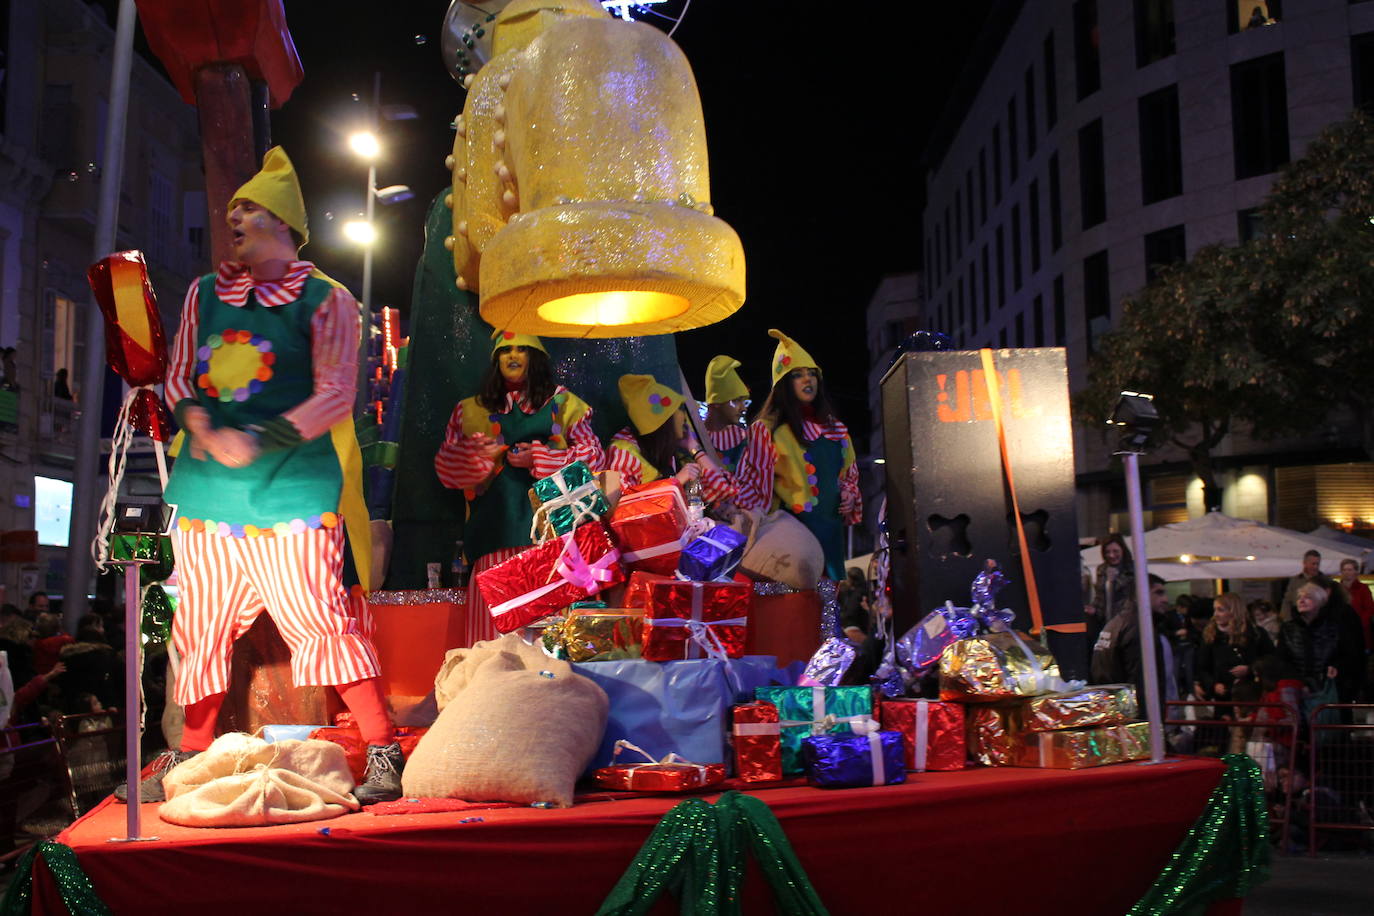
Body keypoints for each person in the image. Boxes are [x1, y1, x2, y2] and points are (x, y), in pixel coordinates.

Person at [147, 147, 401, 805]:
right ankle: (186, 758)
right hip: (207, 495)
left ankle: (382, 751)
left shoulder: (327, 300)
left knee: (318, 619)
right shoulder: (205, 294)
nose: (234, 215)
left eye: (249, 206)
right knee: (199, 627)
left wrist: (258, 438)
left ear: (283, 220)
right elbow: (177, 376)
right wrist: (205, 429)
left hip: (291, 492)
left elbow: (336, 392)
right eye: (233, 206)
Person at [435, 329, 603, 644]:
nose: (512, 356)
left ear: (534, 357)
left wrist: (540, 458)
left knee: (543, 635)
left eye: (521, 349)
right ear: (495, 359)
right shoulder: (470, 410)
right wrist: (476, 457)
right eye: (505, 350)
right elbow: (445, 469)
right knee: (491, 638)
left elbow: (593, 458)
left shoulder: (564, 403)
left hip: (549, 541)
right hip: (491, 537)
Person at [737, 329, 861, 580]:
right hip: (788, 542)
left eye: (812, 374)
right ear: (784, 383)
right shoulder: (767, 431)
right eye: (798, 375)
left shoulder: (836, 430)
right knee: (793, 610)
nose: (808, 380)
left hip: (830, 538)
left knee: (827, 612)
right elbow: (752, 489)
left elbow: (849, 476)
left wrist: (849, 493)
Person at [606, 374, 736, 508]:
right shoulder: (623, 452)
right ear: (663, 421)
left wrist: (694, 448)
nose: (683, 415)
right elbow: (623, 511)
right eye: (678, 409)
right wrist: (675, 482)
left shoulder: (669, 454)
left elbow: (723, 488)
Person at [1092, 574, 1178, 709]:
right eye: (1158, 593)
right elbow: (1142, 683)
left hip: (1115, 710)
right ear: (1140, 593)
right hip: (1133, 715)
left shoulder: (1117, 623)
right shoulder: (1139, 628)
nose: (1165, 599)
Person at [1277, 582, 1366, 704]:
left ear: (1320, 601)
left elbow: (1348, 656)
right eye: (1299, 598)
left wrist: (1336, 667)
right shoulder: (1288, 629)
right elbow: (1282, 660)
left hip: (1328, 690)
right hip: (1296, 691)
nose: (1302, 600)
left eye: (1308, 597)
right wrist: (1299, 683)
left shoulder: (1334, 627)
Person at [702, 355, 764, 511]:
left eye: (743, 401)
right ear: (716, 403)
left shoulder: (745, 439)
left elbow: (751, 490)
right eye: (736, 401)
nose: (743, 408)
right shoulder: (695, 438)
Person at [1193, 592, 1274, 707]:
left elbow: (1270, 660)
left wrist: (1250, 669)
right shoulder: (1211, 635)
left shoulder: (1256, 634)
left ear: (1233, 611)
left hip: (1251, 695)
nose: (1216, 614)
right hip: (1222, 698)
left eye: (1220, 610)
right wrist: (1213, 685)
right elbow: (1202, 667)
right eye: (1215, 610)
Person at [1084, 532, 1135, 648]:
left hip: (1125, 623)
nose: (1111, 555)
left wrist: (1114, 580)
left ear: (1123, 550)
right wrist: (1094, 609)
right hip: (1105, 623)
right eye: (1107, 552)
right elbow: (1100, 596)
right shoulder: (1102, 569)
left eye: (1115, 551)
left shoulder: (1132, 569)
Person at [1336, 558, 1373, 652]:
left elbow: (1369, 609)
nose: (1346, 572)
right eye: (1344, 570)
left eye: (1349, 570)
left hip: (1360, 633)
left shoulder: (1363, 589)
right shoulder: (1336, 589)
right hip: (1340, 633)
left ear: (1356, 572)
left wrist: (1358, 624)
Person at [1280, 549, 1323, 621]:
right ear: (1305, 563)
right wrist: (1287, 621)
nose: (1315, 567)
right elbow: (1287, 601)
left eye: (1317, 564)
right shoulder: (1295, 580)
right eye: (1313, 564)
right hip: (1298, 620)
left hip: (1318, 621)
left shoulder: (1324, 581)